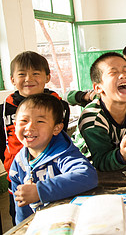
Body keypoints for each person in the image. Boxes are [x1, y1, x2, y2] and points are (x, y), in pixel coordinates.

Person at [0, 51, 70, 226]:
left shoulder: (59, 106)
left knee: (58, 221)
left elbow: (59, 138)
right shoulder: (3, 111)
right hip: (17, 180)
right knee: (23, 222)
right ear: (12, 80)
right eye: (22, 74)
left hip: (52, 179)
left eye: (35, 73)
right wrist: (11, 167)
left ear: (47, 77)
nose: (28, 79)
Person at [10, 94, 97, 224]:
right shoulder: (18, 164)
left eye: (40, 121)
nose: (30, 127)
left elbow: (87, 175)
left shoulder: (63, 154)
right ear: (15, 125)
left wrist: (40, 190)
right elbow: (21, 205)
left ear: (56, 128)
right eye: (24, 121)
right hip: (42, 226)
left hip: (71, 222)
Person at [74, 52, 126, 171]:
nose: (123, 75)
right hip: (86, 174)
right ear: (98, 88)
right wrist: (122, 155)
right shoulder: (92, 120)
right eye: (113, 72)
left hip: (118, 171)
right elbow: (99, 162)